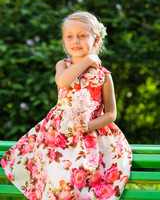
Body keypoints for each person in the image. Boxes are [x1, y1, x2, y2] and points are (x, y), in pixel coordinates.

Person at [1, 11, 132, 200]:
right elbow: (62, 82)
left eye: (82, 35)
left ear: (96, 40)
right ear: (64, 42)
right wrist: (88, 60)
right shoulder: (62, 65)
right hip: (58, 135)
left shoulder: (104, 76)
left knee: (81, 178)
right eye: (69, 36)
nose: (75, 40)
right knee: (56, 177)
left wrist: (89, 126)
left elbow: (111, 114)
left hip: (90, 136)